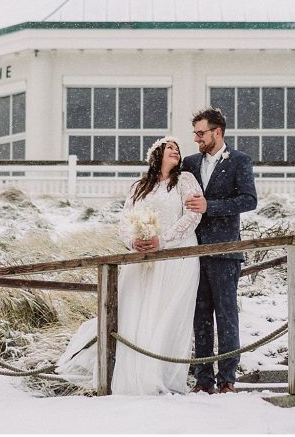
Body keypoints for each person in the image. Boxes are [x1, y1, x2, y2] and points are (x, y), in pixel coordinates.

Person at [55, 136, 203, 394]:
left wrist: (163, 240)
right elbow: (124, 221)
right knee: (133, 311)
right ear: (156, 153)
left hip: (177, 256)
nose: (176, 152)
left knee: (166, 313)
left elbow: (193, 215)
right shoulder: (139, 186)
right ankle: (129, 372)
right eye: (170, 147)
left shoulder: (185, 180)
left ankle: (159, 375)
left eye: (178, 149)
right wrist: (134, 241)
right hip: (141, 258)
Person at [181, 107, 258, 394]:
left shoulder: (239, 161)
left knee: (226, 316)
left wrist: (210, 207)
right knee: (200, 317)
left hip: (226, 251)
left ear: (218, 132)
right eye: (195, 134)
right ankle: (203, 380)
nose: (197, 139)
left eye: (201, 133)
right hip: (192, 252)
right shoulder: (189, 163)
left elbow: (248, 200)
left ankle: (227, 379)